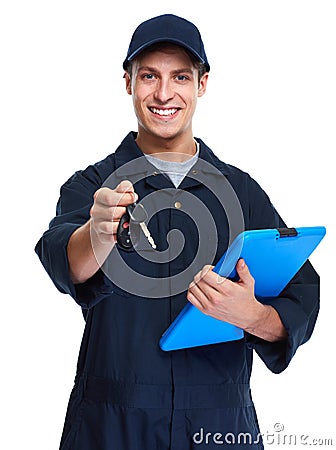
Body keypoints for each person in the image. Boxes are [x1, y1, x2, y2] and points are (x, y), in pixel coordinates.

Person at [35, 14, 320, 450]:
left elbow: (301, 292)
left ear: (202, 84)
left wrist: (255, 317)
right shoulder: (94, 185)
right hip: (112, 423)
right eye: (149, 76)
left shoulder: (240, 192)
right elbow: (64, 259)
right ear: (127, 82)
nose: (164, 93)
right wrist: (97, 233)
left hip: (220, 423)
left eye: (180, 77)